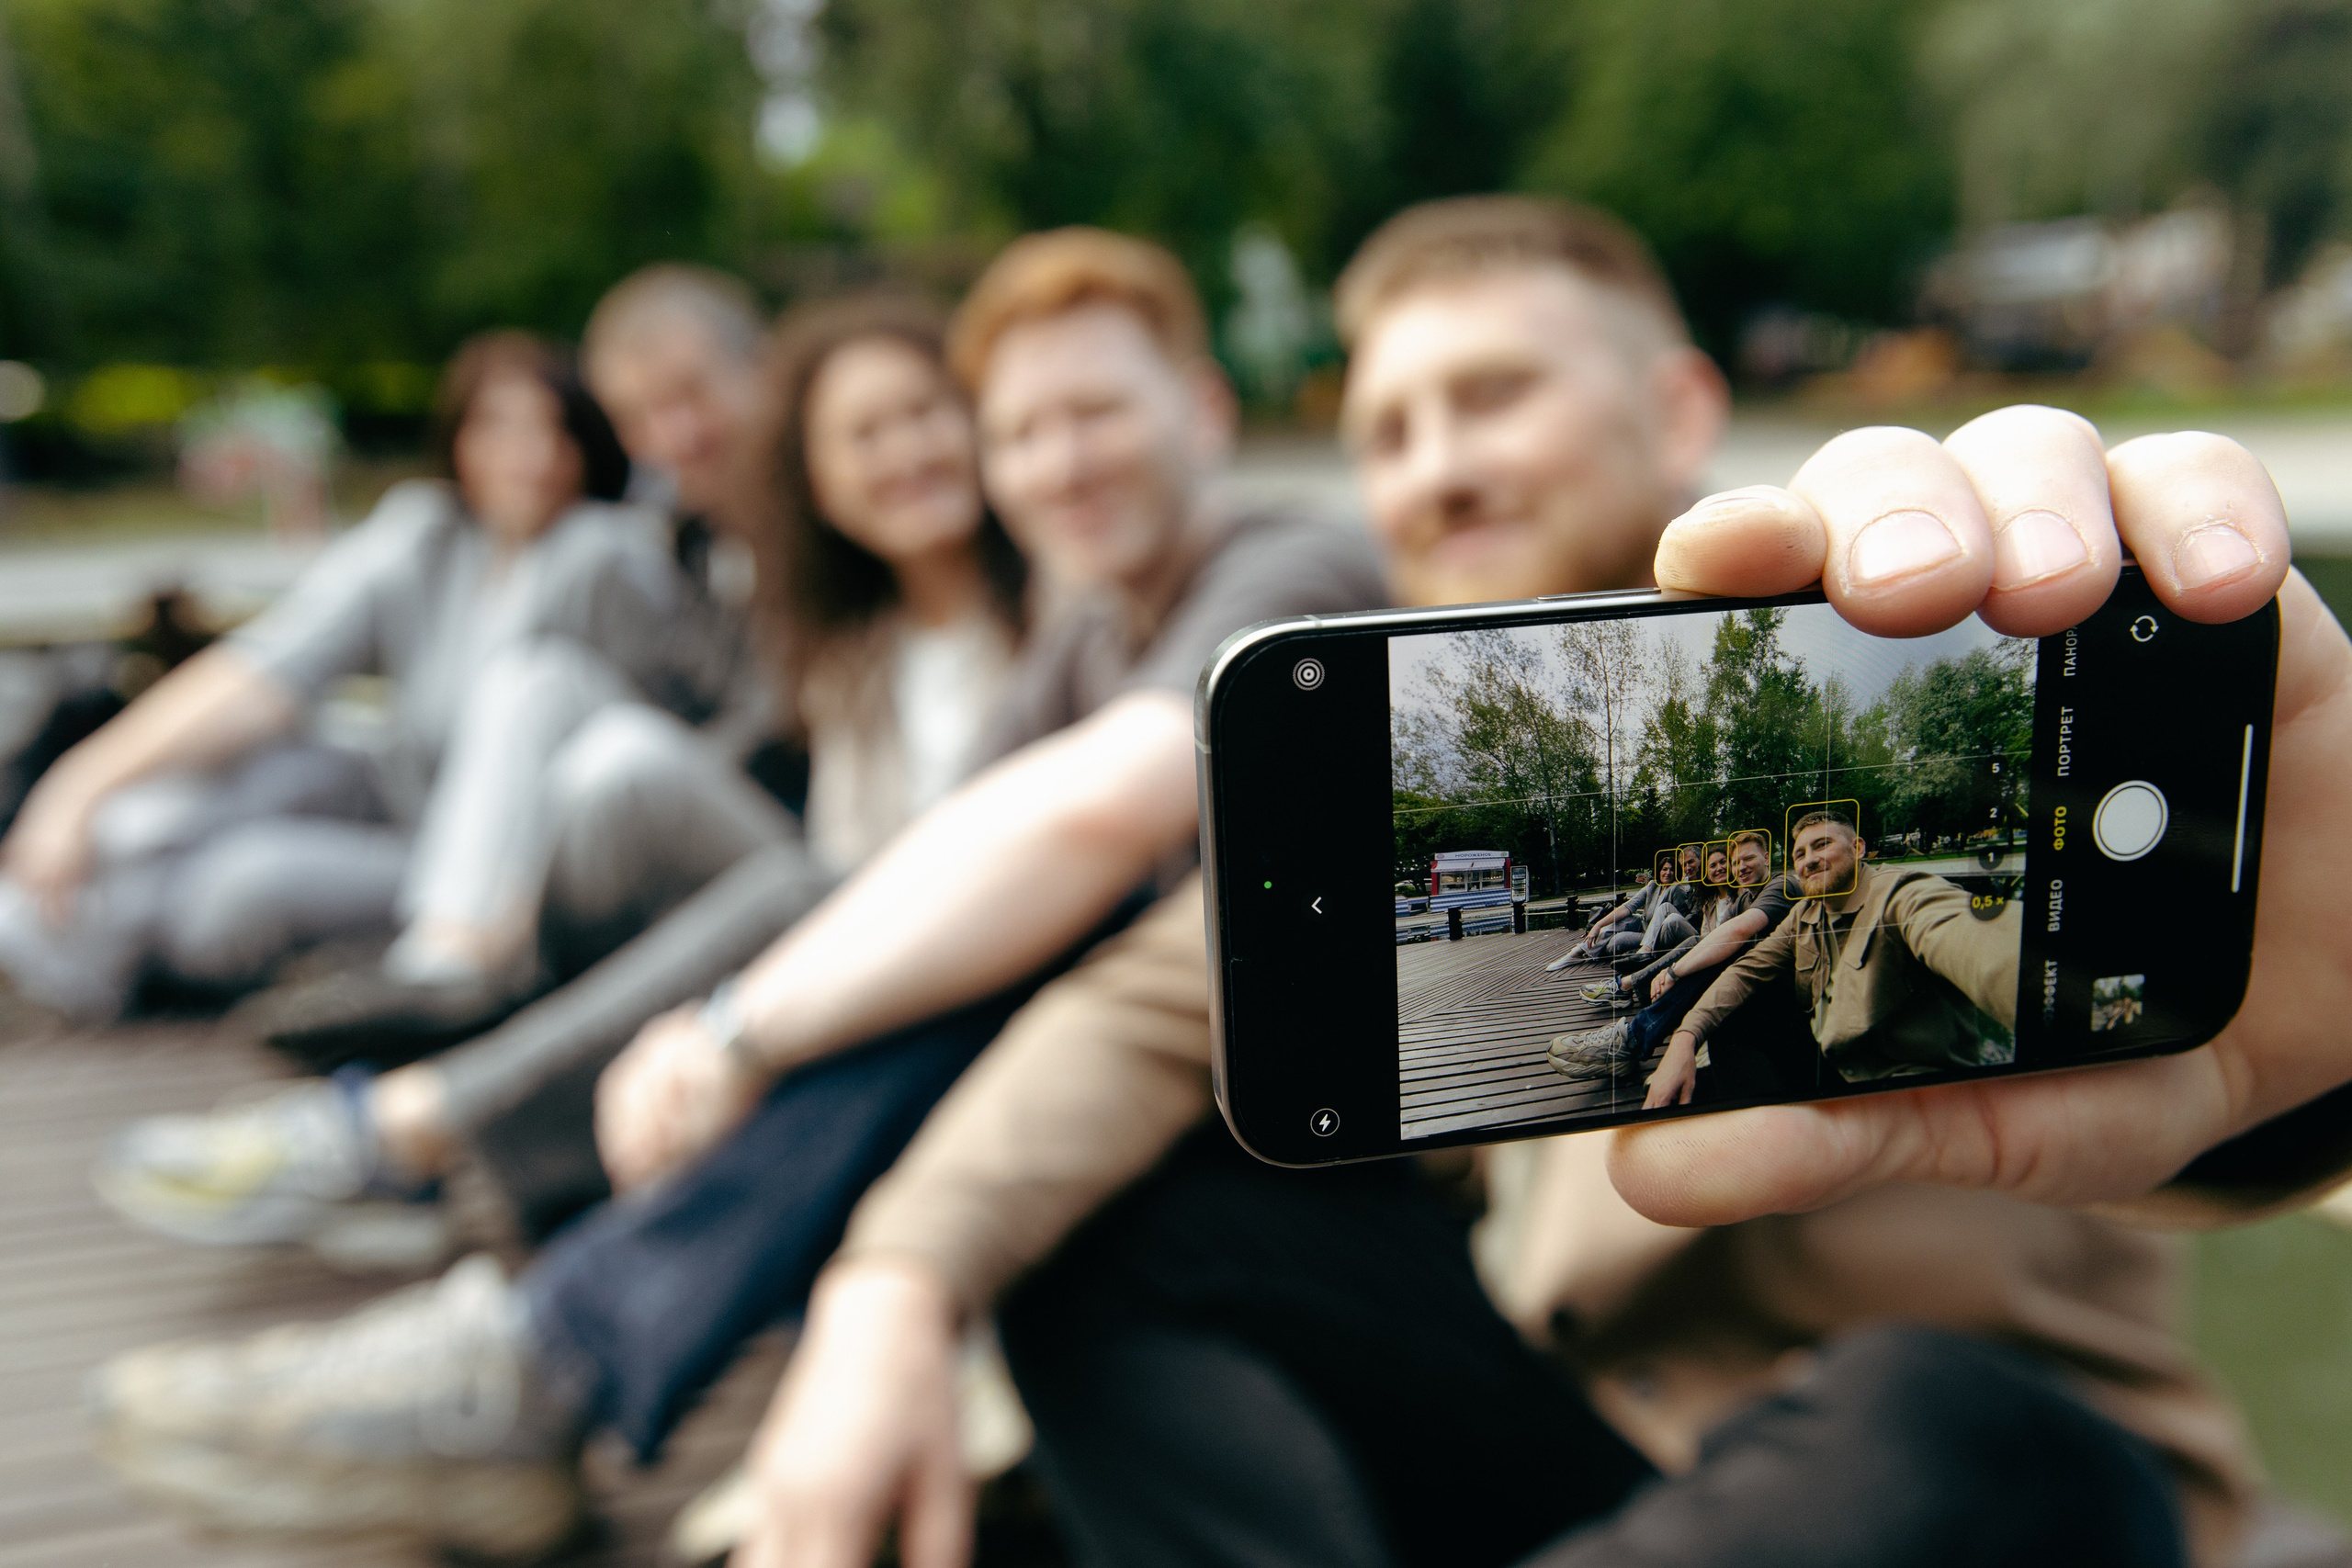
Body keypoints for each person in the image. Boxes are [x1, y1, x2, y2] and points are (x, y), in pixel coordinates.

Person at [729, 196, 2300, 1568]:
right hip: (1608, 1460)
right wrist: (893, 1278)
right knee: (1122, 1217)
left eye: (1491, 397)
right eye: (1389, 434)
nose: (1437, 470)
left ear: (1681, 406)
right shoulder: (1468, 760)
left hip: (1977, 1485)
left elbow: (2197, 1074)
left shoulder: (1888, 642)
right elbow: (1148, 1002)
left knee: (1950, 1427)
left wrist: (2312, 1033)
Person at [90, 229, 1386, 1558]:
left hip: (1307, 1147)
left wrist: (739, 1026)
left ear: (1208, 408)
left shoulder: (1294, 577)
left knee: (970, 929)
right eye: (1025, 430)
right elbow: (928, 862)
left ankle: (523, 1324)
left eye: (1097, 411)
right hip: (1138, 1106)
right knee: (881, 926)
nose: (1060, 460)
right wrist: (749, 1013)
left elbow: (1090, 810)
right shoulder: (1087, 630)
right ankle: (530, 1336)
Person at [92, 291, 1031, 1261]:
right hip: (805, 916)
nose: (903, 455)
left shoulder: (1048, 612)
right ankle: (441, 1070)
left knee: (636, 780)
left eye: (922, 419)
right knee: (601, 788)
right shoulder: (843, 629)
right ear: (821, 475)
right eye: (864, 437)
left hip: (913, 925)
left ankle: (409, 1114)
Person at [0, 333, 695, 1027]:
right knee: (233, 780)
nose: (531, 458)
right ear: (457, 439)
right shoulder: (429, 535)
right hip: (399, 818)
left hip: (502, 879)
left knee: (237, 886)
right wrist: (77, 785)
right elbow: (261, 675)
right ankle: (31, 927)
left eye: (554, 431)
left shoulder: (607, 553)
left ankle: (425, 984)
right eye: (499, 428)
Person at [1638, 807, 2022, 1104]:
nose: (1808, 860)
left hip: (1893, 1087)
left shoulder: (1901, 896)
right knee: (1734, 1008)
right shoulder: (1807, 913)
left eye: (1822, 845)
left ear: (1858, 848)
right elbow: (1746, 972)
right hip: (1827, 1058)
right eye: (1800, 853)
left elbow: (1977, 942)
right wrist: (1685, 1037)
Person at [1547, 829, 1811, 1100]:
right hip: (1747, 986)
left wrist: (1674, 971)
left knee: (1701, 947)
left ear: (1767, 857)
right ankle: (1631, 1023)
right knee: (1696, 946)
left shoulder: (1782, 886)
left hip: (1783, 1001)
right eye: (1736, 862)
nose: (1740, 867)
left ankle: (1630, 1028)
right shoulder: (1744, 897)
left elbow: (1737, 932)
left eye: (1748, 859)